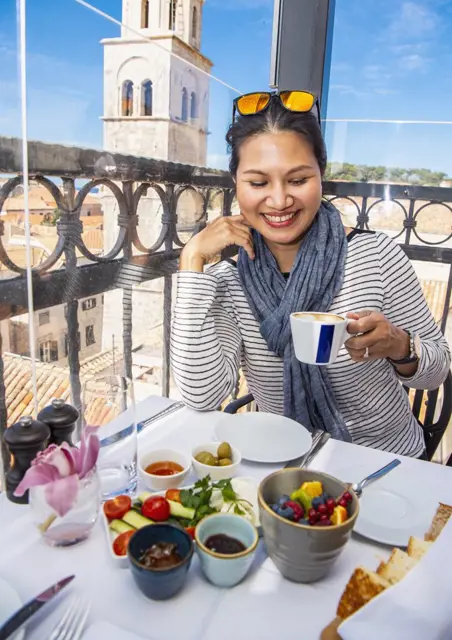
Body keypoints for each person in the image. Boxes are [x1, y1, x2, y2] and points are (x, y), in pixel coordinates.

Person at [170, 91, 450, 457]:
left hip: (385, 462)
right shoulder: (226, 280)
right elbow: (200, 395)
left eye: (298, 180)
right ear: (235, 183)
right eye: (258, 183)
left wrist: (400, 346)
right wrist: (192, 261)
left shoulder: (375, 255)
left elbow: (437, 370)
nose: (279, 199)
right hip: (283, 464)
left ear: (322, 174)